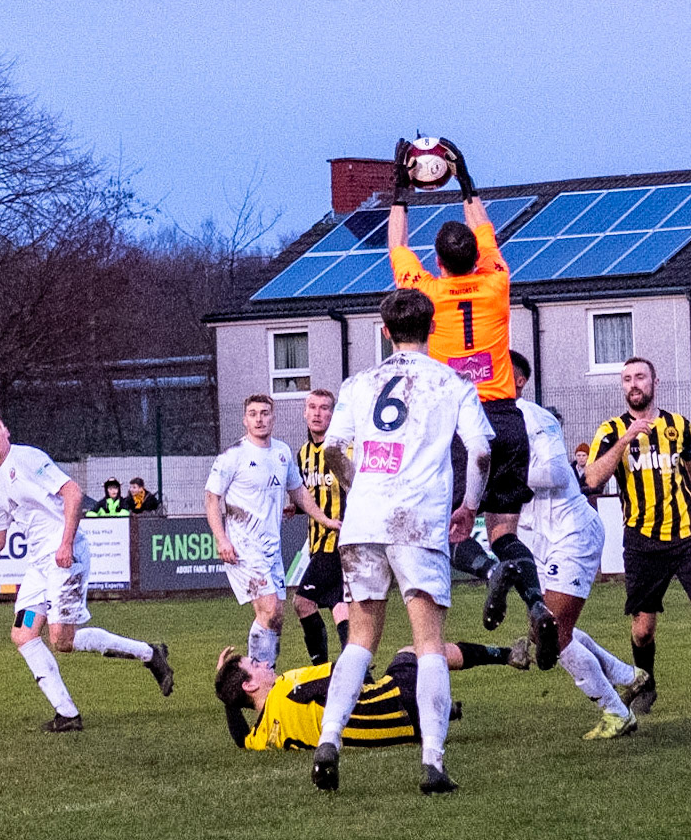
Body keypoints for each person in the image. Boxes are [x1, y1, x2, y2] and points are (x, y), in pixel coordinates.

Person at [309, 287, 494, 794]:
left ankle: (330, 739)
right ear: (432, 328)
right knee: (428, 644)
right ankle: (432, 761)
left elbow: (333, 449)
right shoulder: (452, 383)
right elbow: (479, 452)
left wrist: (357, 487)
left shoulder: (358, 383)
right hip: (418, 522)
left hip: (364, 519)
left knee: (361, 640)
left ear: (385, 330)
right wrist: (469, 505)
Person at [387, 135, 557, 669]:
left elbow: (395, 245)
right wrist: (464, 177)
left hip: (462, 423)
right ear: (478, 257)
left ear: (436, 260)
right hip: (507, 416)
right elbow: (485, 231)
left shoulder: (425, 294)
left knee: (452, 531)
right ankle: (535, 601)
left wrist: (401, 184)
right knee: (505, 530)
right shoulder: (496, 284)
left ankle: (489, 573)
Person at [0, 410, 175, 731]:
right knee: (23, 634)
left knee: (62, 639)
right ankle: (67, 714)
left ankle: (149, 654)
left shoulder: (27, 459)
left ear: (6, 431)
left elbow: (73, 492)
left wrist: (65, 543)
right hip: (39, 565)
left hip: (66, 554)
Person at [585, 357, 691, 716]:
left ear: (655, 381)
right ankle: (648, 686)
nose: (633, 384)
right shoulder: (611, 431)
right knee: (642, 631)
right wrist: (626, 438)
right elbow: (593, 478)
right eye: (626, 379)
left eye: (640, 377)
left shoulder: (678, 426)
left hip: (686, 537)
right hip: (641, 542)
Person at [508, 352, 644, 738]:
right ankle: (625, 675)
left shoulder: (535, 418)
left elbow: (552, 472)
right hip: (539, 535)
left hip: (570, 530)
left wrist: (504, 472)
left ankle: (617, 712)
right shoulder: (487, 420)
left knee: (551, 630)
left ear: (517, 380)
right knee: (546, 629)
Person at [204, 394, 340, 670]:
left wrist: (323, 519)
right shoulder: (233, 455)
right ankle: (257, 675)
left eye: (265, 413)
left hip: (270, 549)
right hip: (243, 546)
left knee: (275, 618)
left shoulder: (282, 452)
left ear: (273, 418)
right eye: (253, 414)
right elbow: (211, 498)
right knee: (270, 608)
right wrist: (222, 539)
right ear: (245, 420)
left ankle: (261, 674)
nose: (259, 419)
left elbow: (298, 491)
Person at [215, 642, 527, 751]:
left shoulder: (262, 737)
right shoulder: (285, 684)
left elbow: (239, 737)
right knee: (416, 649)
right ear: (249, 686)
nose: (265, 664)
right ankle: (506, 654)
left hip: (404, 735)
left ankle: (442, 710)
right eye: (255, 666)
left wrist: (223, 688)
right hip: (398, 704)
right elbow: (349, 673)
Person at [293, 388, 350, 665]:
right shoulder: (303, 454)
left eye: (324, 408)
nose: (317, 413)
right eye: (312, 407)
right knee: (339, 604)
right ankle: (359, 669)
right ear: (305, 413)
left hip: (337, 540)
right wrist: (295, 506)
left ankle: (321, 668)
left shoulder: (344, 449)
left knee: (302, 602)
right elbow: (308, 493)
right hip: (317, 541)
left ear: (333, 413)